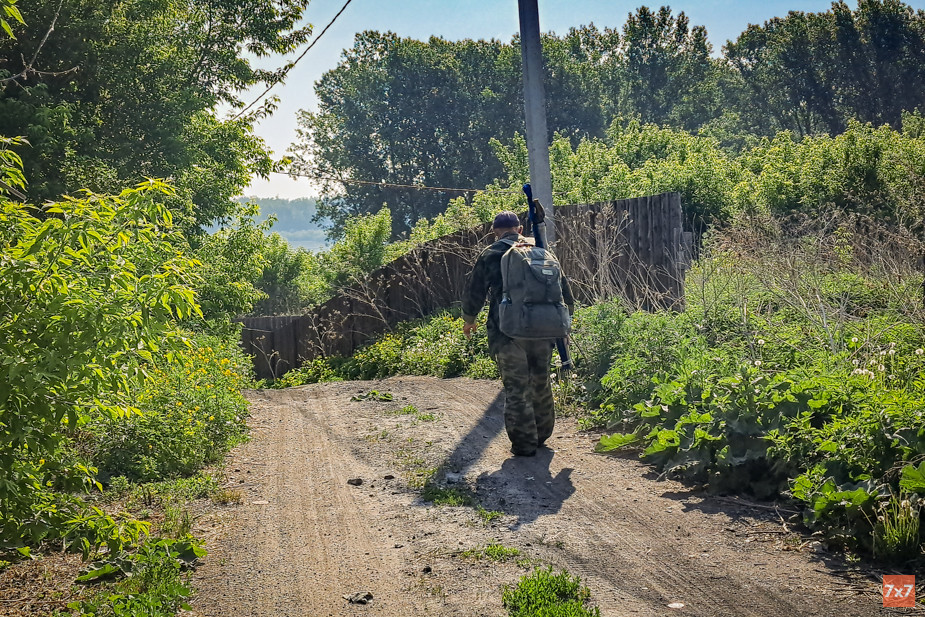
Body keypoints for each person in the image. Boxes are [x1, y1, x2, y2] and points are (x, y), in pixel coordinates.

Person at [462, 210, 574, 457]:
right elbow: (563, 290)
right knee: (541, 381)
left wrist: (469, 320)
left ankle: (524, 444)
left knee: (516, 388)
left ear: (494, 232)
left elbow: (475, 291)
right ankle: (542, 435)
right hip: (544, 329)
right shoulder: (542, 251)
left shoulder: (491, 254)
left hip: (507, 332)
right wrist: (565, 326)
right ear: (520, 229)